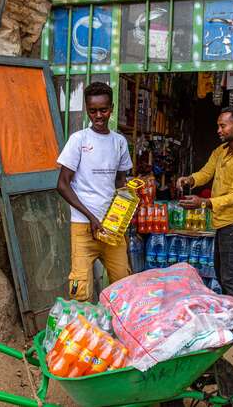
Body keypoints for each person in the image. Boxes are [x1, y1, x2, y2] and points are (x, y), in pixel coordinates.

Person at [56, 82, 133, 301]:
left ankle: (119, 331)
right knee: (80, 288)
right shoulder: (78, 140)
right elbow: (62, 184)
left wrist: (127, 209)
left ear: (112, 108)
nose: (98, 115)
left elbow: (120, 180)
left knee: (123, 284)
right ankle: (83, 333)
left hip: (111, 227)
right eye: (93, 111)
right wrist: (90, 216)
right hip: (83, 226)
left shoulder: (119, 142)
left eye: (103, 110)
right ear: (87, 109)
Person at [177, 107, 233, 303]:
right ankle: (231, 320)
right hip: (221, 223)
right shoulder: (220, 151)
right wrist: (190, 180)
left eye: (223, 126)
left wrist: (203, 202)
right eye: (218, 126)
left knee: (230, 278)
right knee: (222, 275)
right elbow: (206, 173)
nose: (219, 130)